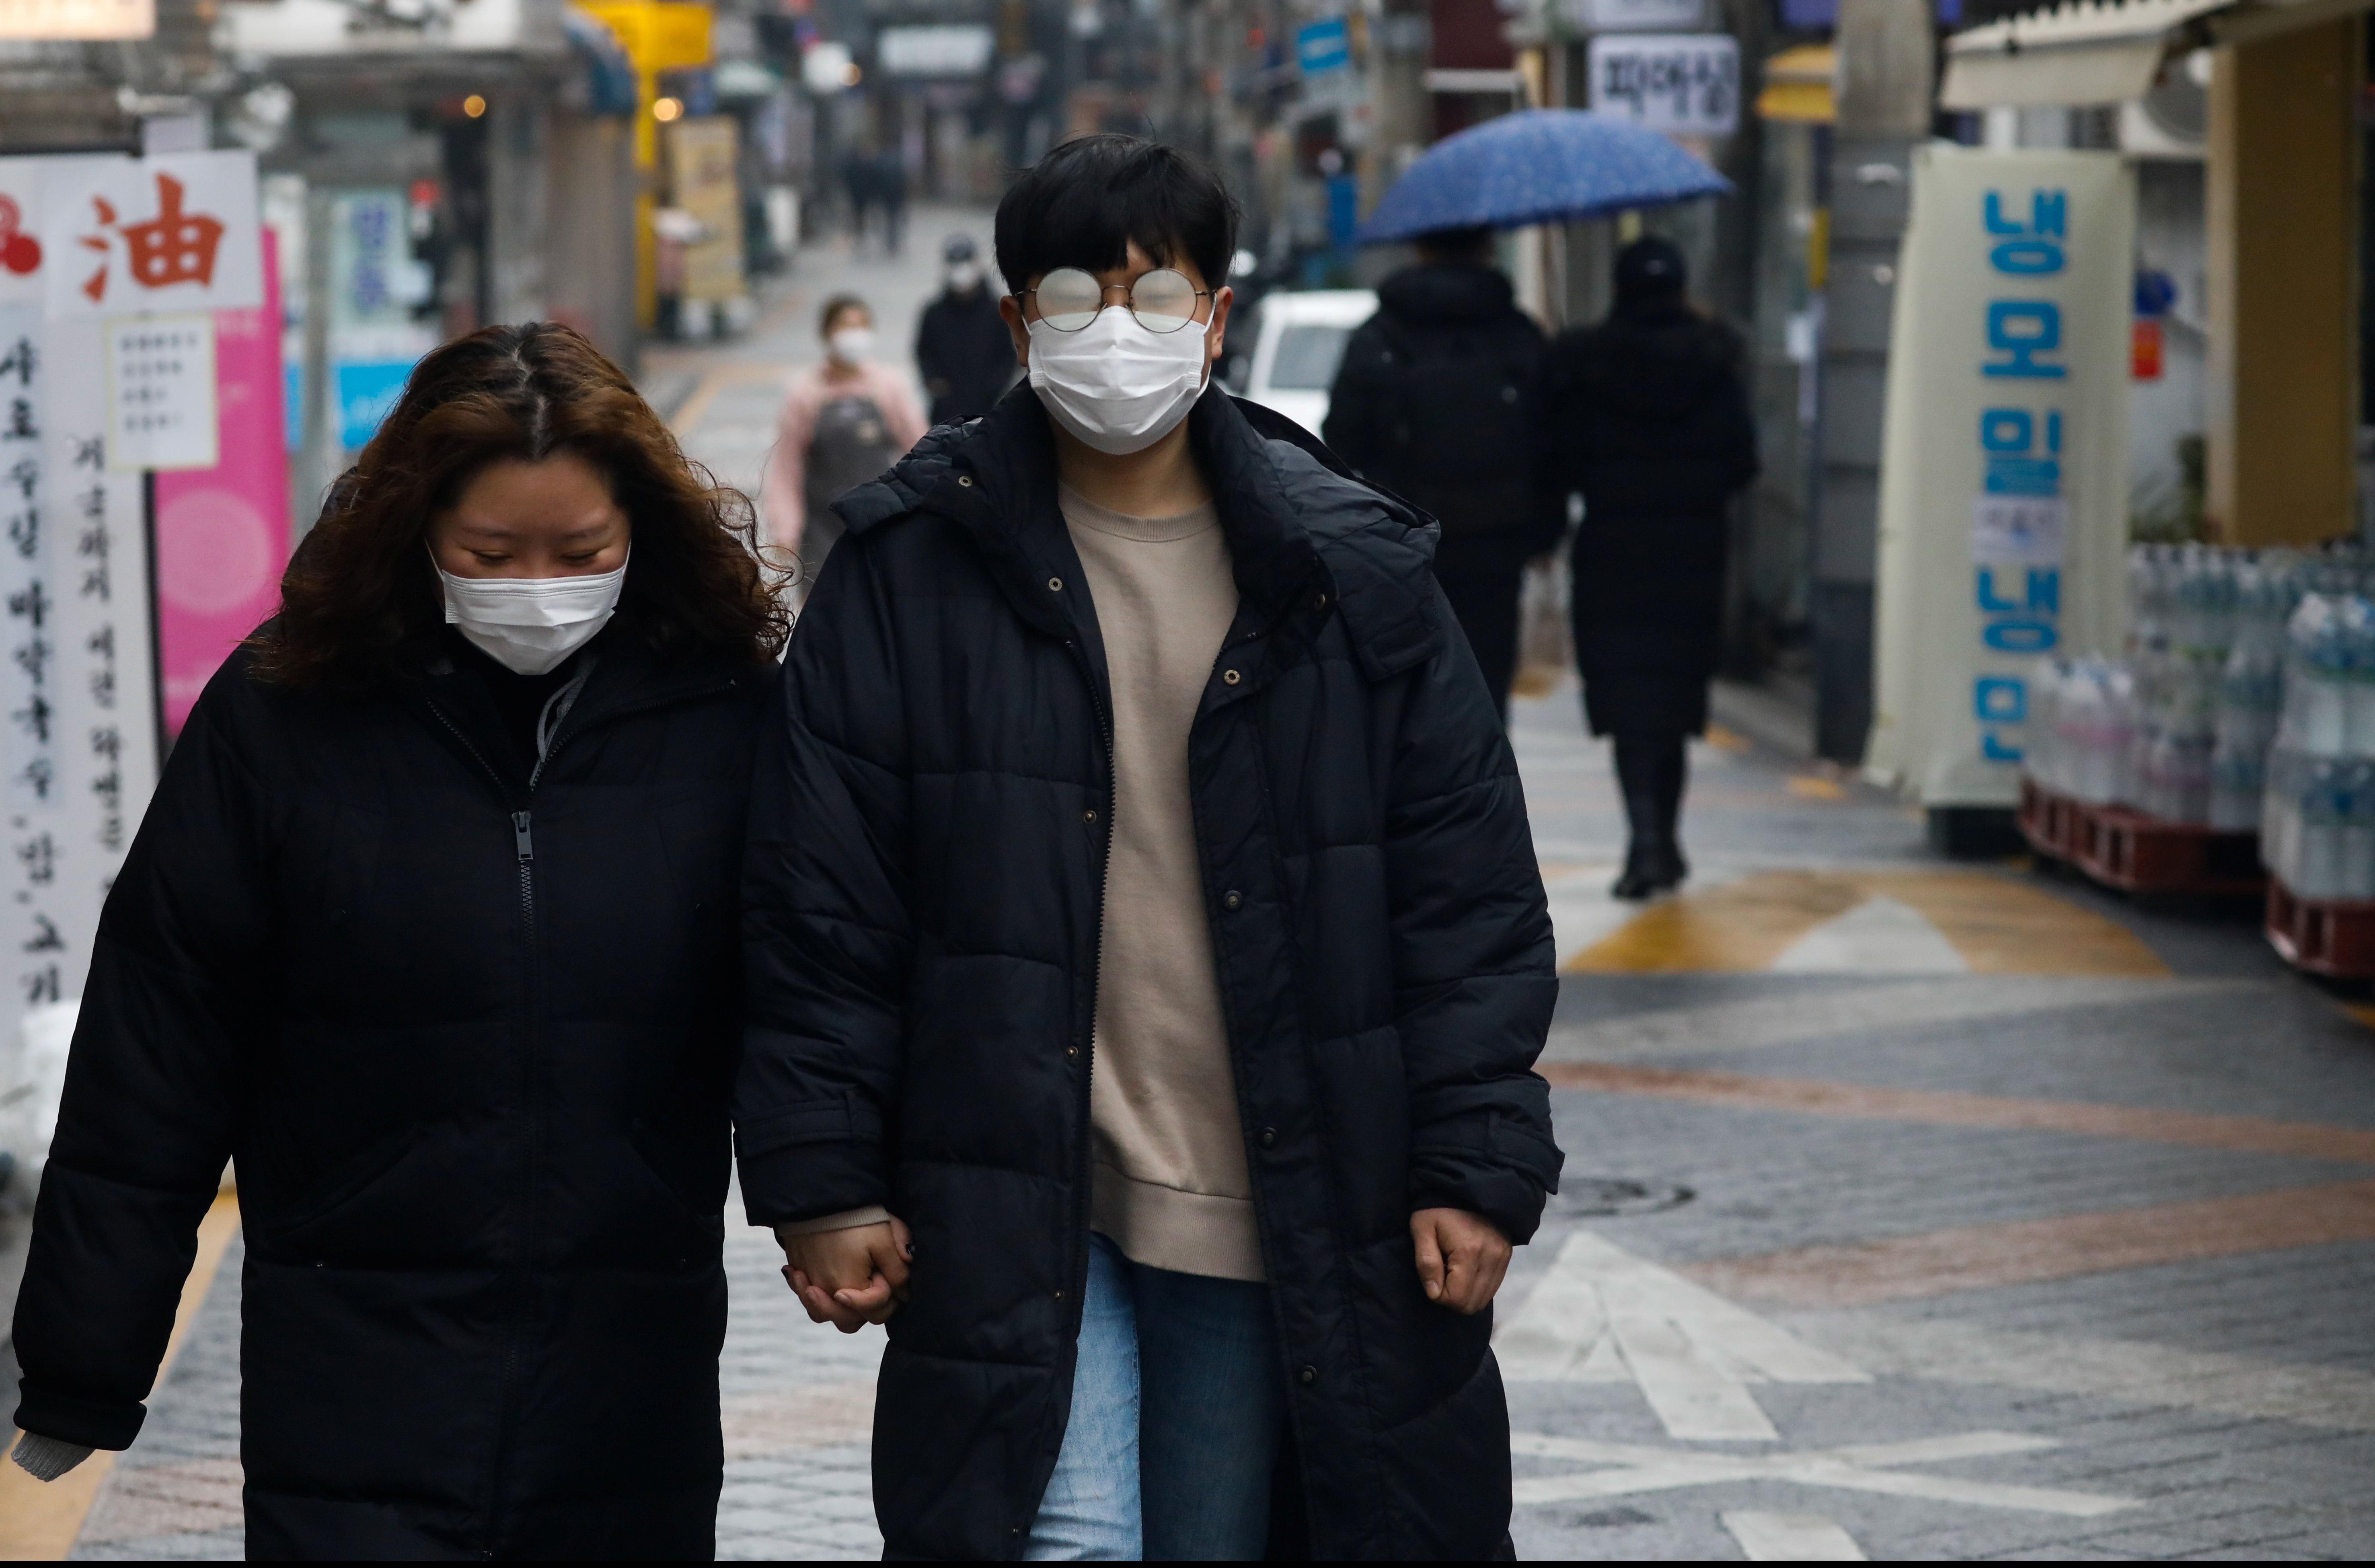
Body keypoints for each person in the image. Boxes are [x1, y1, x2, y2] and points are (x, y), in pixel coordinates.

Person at [735, 135, 1561, 1560]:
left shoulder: (1346, 575)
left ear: (1217, 316)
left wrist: (1478, 1157)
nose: (1116, 331)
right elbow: (820, 902)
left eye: (1157, 295)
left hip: (1261, 1189)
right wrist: (822, 1176)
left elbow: (1465, 889)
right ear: (1014, 324)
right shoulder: (905, 570)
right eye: (1072, 298)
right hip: (1004, 1192)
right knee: (1065, 1540)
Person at [6, 323, 785, 1556]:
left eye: (581, 551)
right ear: (417, 530)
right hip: (349, 1361)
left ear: (644, 532)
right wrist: (81, 1360)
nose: (539, 583)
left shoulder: (726, 713)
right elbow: (159, 1036)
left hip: (628, 1369)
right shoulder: (284, 713)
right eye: (492, 551)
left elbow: (816, 981)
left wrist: (836, 1194)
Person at [1547, 236, 1758, 900]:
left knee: (1628, 700)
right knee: (1674, 703)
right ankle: (1663, 839)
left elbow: (1562, 458)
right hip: (1693, 557)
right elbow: (1743, 463)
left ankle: (1645, 838)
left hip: (1614, 550)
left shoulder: (1586, 364)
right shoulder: (1715, 361)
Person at [1323, 222, 1563, 716]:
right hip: (1498, 539)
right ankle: (1485, 783)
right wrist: (1545, 534)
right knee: (1486, 679)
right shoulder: (1517, 333)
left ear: (1418, 243)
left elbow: (1342, 441)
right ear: (1487, 244)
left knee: (1408, 683)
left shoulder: (1381, 334)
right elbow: (1552, 444)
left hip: (1401, 538)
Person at [759, 293, 929, 577]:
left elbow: (921, 451)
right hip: (820, 529)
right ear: (826, 333)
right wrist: (784, 528)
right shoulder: (805, 393)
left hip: (879, 525)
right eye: (845, 327)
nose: (854, 335)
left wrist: (924, 513)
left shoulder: (888, 386)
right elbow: (787, 468)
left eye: (861, 326)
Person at [916, 232, 1020, 423]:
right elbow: (924, 352)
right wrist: (934, 381)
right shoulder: (934, 313)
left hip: (989, 408)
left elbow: (1009, 354)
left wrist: (994, 388)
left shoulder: (996, 311)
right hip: (945, 412)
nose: (960, 271)